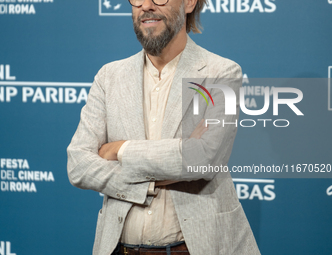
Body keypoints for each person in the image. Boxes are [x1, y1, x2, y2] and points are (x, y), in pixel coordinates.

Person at [67, 0, 261, 253]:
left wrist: (120, 151)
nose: (146, 5)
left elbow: (205, 158)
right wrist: (154, 179)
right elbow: (78, 165)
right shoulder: (109, 76)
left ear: (189, 3)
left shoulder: (222, 72)